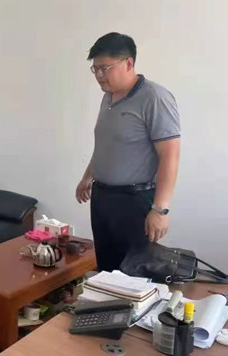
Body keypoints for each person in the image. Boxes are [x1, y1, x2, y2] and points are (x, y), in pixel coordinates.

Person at [75, 32, 181, 272]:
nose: (99, 76)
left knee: (134, 275)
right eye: (95, 69)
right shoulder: (108, 97)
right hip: (103, 198)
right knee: (106, 269)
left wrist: (160, 209)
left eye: (104, 68)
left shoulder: (154, 98)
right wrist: (88, 176)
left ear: (129, 63)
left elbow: (170, 155)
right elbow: (107, 144)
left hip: (135, 201)